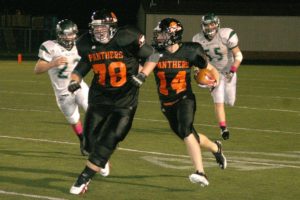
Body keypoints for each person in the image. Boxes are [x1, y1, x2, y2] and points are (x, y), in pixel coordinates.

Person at [68, 9, 159, 195]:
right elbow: (84, 64)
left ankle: (84, 178)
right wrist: (74, 80)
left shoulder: (128, 37)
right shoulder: (86, 43)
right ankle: (101, 160)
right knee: (88, 144)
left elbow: (154, 55)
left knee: (110, 138)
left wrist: (143, 75)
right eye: (95, 28)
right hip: (100, 98)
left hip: (125, 100)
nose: (98, 31)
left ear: (112, 27)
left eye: (102, 27)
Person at [152, 17, 227, 186]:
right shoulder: (155, 53)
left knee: (186, 130)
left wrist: (214, 82)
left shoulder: (191, 51)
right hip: (166, 103)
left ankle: (201, 172)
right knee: (190, 136)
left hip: (185, 97)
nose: (159, 37)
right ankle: (216, 148)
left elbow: (210, 69)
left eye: (162, 34)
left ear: (173, 34)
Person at [34, 19, 89, 156]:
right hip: (63, 91)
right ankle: (83, 140)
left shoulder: (80, 44)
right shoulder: (50, 46)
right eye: (65, 34)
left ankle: (100, 139)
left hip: (78, 85)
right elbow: (37, 69)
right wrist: (52, 63)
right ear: (59, 34)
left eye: (71, 34)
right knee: (73, 119)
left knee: (92, 109)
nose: (68, 37)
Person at [192, 13, 243, 140]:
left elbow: (239, 56)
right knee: (218, 101)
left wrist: (232, 70)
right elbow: (198, 60)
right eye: (207, 24)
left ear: (217, 24)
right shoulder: (197, 39)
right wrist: (197, 70)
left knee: (230, 101)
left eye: (212, 24)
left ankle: (228, 101)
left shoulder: (225, 34)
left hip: (228, 70)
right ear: (202, 25)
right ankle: (223, 128)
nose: (209, 27)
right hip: (212, 72)